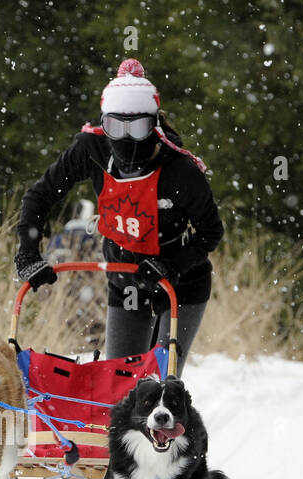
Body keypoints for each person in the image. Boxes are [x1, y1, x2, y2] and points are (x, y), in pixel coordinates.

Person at [14, 59, 223, 376]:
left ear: (153, 125)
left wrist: (173, 266)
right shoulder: (91, 149)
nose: (127, 138)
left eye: (137, 128)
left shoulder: (180, 170)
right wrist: (29, 252)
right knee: (121, 381)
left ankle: (168, 419)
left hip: (181, 282)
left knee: (162, 383)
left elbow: (211, 232)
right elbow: (39, 196)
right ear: (104, 124)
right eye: (115, 127)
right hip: (126, 280)